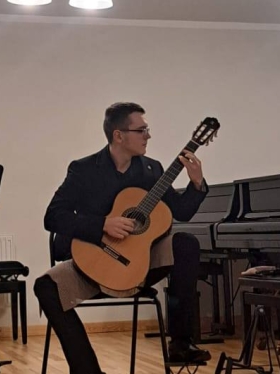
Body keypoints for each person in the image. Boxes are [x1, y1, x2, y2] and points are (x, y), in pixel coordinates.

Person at [34, 102, 211, 374]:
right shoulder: (83, 170)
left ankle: (180, 343)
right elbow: (53, 217)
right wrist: (102, 224)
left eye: (147, 130)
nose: (148, 136)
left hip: (139, 266)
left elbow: (182, 212)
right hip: (93, 264)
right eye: (141, 130)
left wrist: (196, 183)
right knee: (45, 287)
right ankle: (87, 371)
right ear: (118, 135)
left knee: (186, 242)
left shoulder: (152, 170)